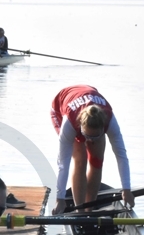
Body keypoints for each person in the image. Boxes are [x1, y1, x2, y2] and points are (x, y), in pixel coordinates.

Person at [50, 85, 132, 214]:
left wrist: (126, 189)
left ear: (103, 128)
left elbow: (121, 156)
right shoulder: (69, 124)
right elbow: (63, 164)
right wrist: (59, 198)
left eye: (95, 136)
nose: (91, 141)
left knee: (97, 161)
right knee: (80, 160)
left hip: (89, 97)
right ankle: (80, 211)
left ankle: (89, 209)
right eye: (87, 136)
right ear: (81, 127)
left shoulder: (110, 121)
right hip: (60, 109)